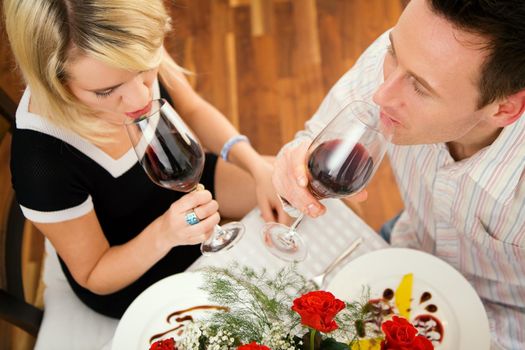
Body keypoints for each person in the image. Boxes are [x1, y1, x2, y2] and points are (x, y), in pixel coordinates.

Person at [3, 0, 288, 318]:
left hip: (185, 182)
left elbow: (192, 108)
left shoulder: (125, 46)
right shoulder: (41, 163)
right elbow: (94, 274)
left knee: (290, 190)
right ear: (53, 81)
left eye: (144, 70)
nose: (141, 98)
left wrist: (255, 165)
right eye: (106, 91)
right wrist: (167, 232)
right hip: (133, 270)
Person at [272, 0, 525, 348]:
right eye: (393, 52)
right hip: (405, 252)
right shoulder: (411, 52)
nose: (381, 94)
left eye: (420, 88)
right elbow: (312, 142)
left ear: (504, 108)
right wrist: (294, 163)